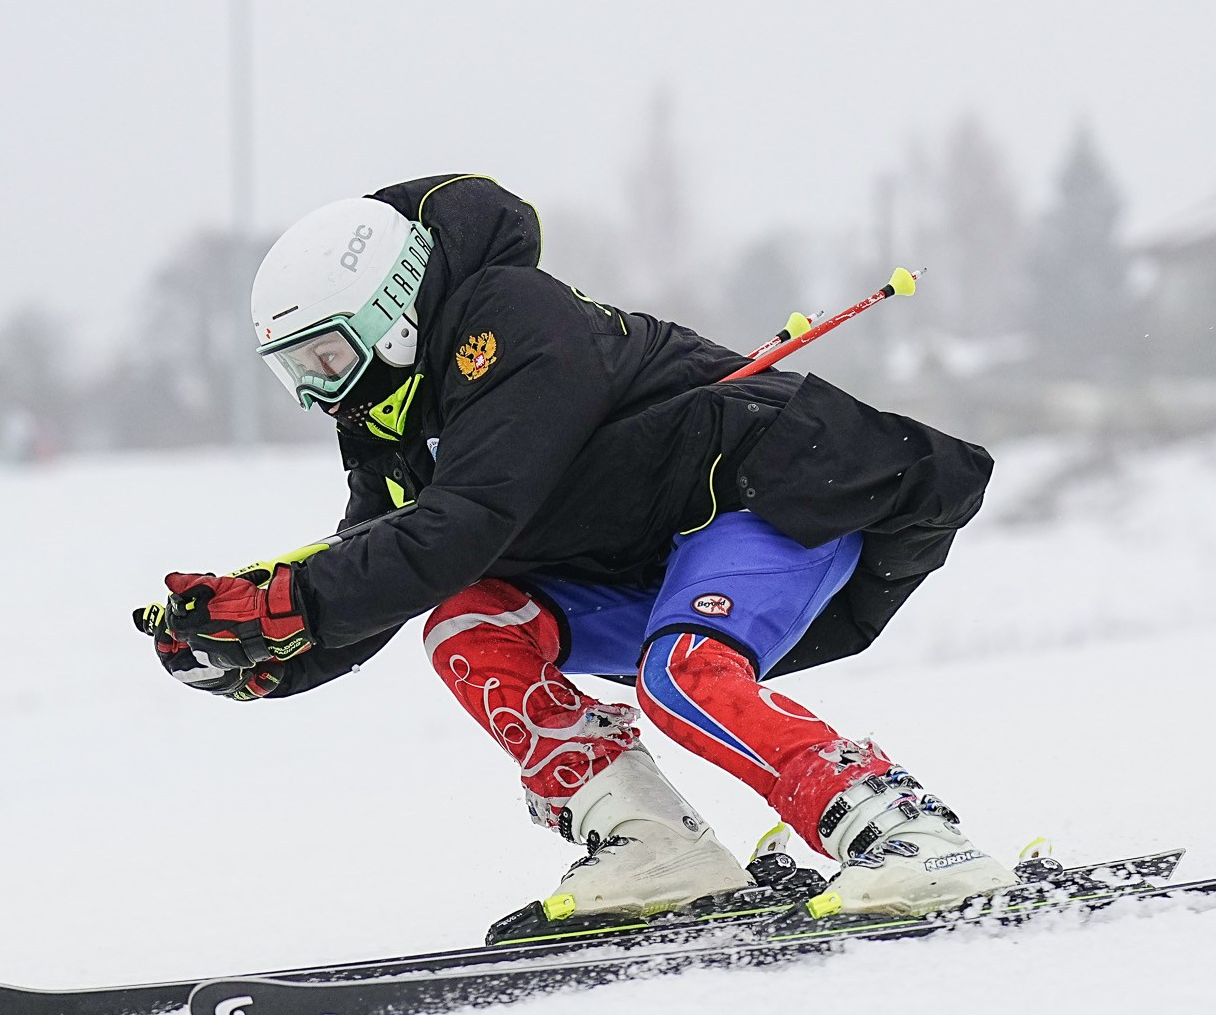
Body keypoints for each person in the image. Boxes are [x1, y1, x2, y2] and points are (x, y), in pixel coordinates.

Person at [136, 173, 1016, 920]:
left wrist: (295, 603)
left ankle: (910, 838)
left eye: (326, 357)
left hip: (773, 496)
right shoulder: (382, 408)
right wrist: (266, 651)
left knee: (686, 676)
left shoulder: (512, 318)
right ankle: (654, 848)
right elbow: (386, 558)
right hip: (642, 555)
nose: (318, 392)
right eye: (297, 371)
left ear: (396, 311)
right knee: (466, 623)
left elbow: (467, 521)